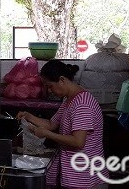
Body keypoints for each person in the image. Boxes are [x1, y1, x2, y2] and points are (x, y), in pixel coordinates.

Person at [17, 59, 108, 189]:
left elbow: (78, 142)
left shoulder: (82, 104)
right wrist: (29, 116)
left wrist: (46, 134)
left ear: (62, 80)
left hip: (86, 178)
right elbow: (51, 123)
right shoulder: (69, 100)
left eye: (49, 86)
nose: (48, 91)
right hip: (76, 175)